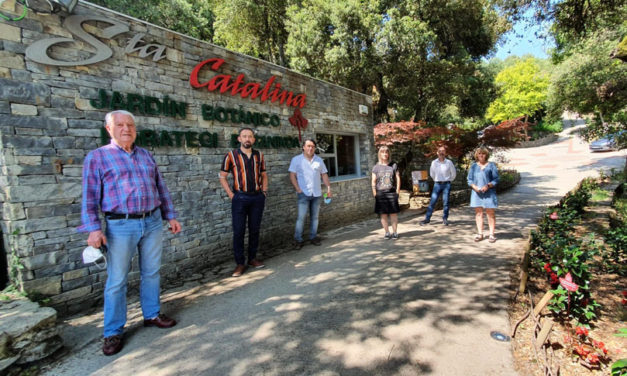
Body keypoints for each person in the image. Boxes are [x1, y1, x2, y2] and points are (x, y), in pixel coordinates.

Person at [78, 110, 182, 356]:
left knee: (152, 272)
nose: (126, 129)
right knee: (117, 280)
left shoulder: (146, 155)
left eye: (130, 125)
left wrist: (171, 216)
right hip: (120, 226)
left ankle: (152, 314)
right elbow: (89, 197)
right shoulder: (98, 157)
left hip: (153, 221)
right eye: (120, 125)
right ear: (109, 129)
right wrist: (93, 228)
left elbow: (161, 188)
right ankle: (112, 332)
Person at [219, 128, 268, 277]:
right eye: (244, 136)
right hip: (239, 198)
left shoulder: (259, 155)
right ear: (239, 139)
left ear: (253, 139)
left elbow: (264, 175)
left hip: (257, 197)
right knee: (239, 231)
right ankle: (240, 263)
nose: (247, 139)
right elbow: (222, 176)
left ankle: (252, 258)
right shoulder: (231, 156)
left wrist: (264, 191)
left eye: (250, 136)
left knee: (254, 229)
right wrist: (231, 195)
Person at [289, 139, 332, 249]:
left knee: (315, 218)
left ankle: (313, 237)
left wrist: (328, 189)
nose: (310, 148)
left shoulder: (319, 160)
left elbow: (324, 175)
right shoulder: (296, 160)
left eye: (312, 146)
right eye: (308, 146)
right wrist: (298, 189)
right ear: (303, 147)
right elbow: (292, 175)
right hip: (303, 193)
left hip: (316, 193)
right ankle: (298, 240)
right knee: (301, 218)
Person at [467, 147, 499, 243]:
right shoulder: (473, 166)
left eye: (483, 153)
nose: (481, 155)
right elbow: (469, 179)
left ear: (486, 155)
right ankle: (480, 233)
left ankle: (491, 234)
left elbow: (496, 179)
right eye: (479, 153)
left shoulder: (491, 165)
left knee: (490, 213)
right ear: (477, 155)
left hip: (489, 193)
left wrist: (488, 185)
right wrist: (474, 186)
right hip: (477, 193)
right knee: (478, 213)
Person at [420, 145, 457, 226]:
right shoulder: (434, 162)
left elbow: (453, 174)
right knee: (432, 202)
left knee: (446, 202)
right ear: (437, 153)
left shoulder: (449, 162)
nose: (441, 152)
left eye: (443, 151)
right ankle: (427, 219)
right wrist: (436, 180)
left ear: (445, 153)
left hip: (446, 184)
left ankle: (445, 219)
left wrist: (448, 180)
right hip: (437, 184)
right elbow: (432, 174)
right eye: (440, 151)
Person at [371, 146, 401, 239]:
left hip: (392, 193)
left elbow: (398, 178)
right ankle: (387, 232)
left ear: (388, 154)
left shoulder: (393, 165)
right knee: (383, 214)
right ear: (380, 154)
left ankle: (395, 232)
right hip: (381, 193)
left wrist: (397, 192)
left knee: (393, 214)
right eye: (383, 152)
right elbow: (373, 181)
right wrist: (375, 193)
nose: (385, 154)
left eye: (386, 152)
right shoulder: (376, 167)